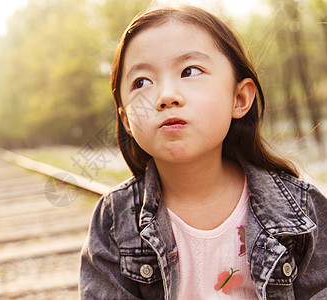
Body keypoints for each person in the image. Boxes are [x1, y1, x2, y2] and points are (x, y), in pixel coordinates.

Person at [79, 5, 327, 300]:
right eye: (141, 82)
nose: (166, 96)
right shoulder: (115, 221)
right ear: (125, 120)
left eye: (190, 71)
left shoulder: (300, 208)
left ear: (239, 98)